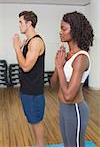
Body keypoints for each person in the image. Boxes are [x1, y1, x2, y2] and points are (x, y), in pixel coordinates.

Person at [50, 11, 94, 147]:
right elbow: (53, 84)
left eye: (64, 29)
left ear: (74, 31)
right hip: (64, 107)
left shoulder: (81, 58)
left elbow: (69, 95)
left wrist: (59, 66)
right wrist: (58, 65)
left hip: (75, 109)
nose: (60, 32)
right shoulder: (68, 55)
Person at [13, 11, 45, 147]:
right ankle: (38, 144)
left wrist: (17, 49)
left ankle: (40, 145)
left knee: (36, 121)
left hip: (33, 91)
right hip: (27, 89)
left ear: (29, 23)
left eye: (21, 22)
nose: (19, 25)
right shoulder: (28, 42)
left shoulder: (36, 42)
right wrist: (20, 49)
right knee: (32, 121)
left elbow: (25, 67)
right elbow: (23, 63)